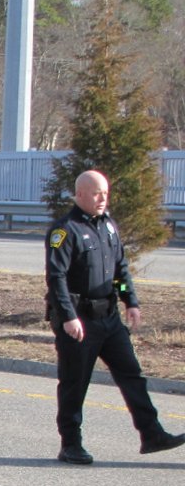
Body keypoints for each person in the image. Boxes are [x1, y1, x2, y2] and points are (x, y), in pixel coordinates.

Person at [45, 169, 184, 465]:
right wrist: (68, 317)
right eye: (96, 193)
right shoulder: (65, 230)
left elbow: (119, 271)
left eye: (105, 193)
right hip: (79, 320)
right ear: (80, 194)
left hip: (108, 317)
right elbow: (56, 277)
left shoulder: (108, 226)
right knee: (75, 381)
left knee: (131, 374)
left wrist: (129, 301)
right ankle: (71, 443)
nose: (102, 199)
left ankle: (151, 433)